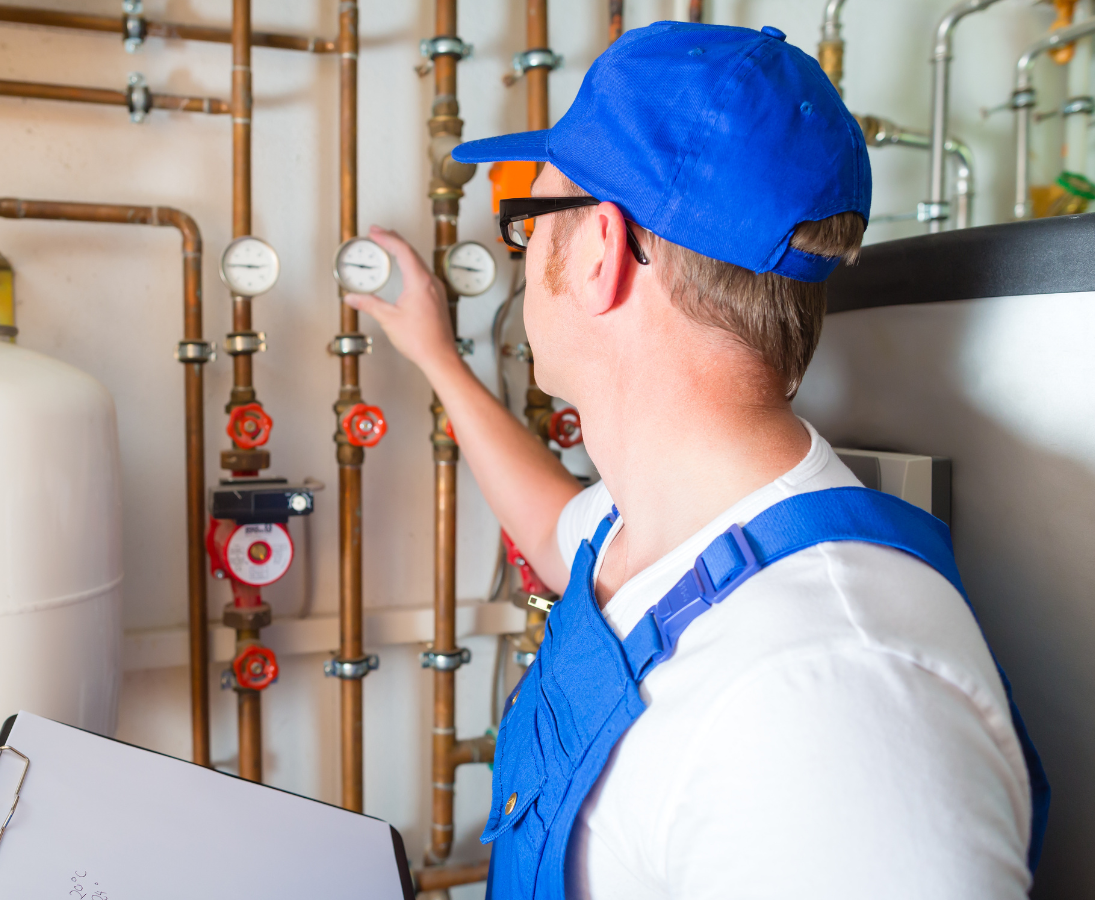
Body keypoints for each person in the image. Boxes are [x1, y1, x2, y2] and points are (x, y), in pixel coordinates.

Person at [342, 20, 1047, 900]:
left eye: (528, 219)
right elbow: (559, 531)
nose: (525, 258)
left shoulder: (826, 705)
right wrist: (437, 357)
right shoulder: (664, 524)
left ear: (601, 250)